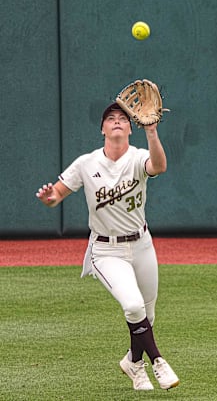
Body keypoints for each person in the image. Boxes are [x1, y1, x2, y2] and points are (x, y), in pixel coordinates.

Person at [35, 102, 179, 391]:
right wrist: (49, 197)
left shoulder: (139, 157)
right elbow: (56, 196)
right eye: (110, 119)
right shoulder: (86, 164)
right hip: (106, 250)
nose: (116, 122)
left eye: (122, 119)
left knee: (146, 317)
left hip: (141, 245)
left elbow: (159, 166)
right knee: (133, 305)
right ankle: (158, 362)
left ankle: (132, 364)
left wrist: (151, 132)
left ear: (129, 128)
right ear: (102, 129)